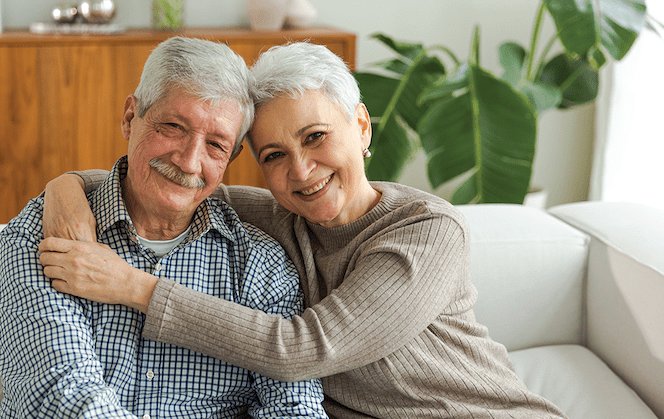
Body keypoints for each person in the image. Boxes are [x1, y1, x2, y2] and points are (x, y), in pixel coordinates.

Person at [40, 42, 567, 418]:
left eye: (316, 137)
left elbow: (306, 349)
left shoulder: (425, 231)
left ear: (361, 125)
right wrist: (62, 185)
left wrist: (132, 285)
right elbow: (175, 179)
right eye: (274, 156)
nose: (300, 171)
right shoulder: (283, 217)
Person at [0, 36, 328, 419]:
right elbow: (64, 398)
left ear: (231, 158)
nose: (189, 162)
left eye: (216, 145)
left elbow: (293, 407)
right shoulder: (46, 233)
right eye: (172, 126)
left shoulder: (261, 266)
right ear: (129, 117)